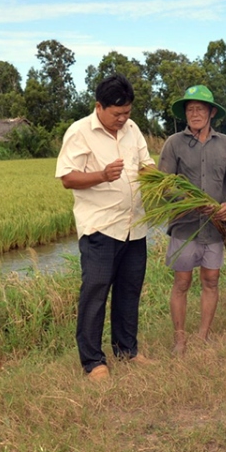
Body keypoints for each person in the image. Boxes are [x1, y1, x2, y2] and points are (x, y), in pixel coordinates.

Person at [55, 75, 156, 381]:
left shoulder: (132, 128)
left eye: (127, 112)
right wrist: (101, 175)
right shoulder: (79, 132)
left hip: (134, 226)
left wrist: (156, 176)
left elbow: (145, 163)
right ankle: (93, 361)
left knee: (129, 291)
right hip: (100, 228)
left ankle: (127, 350)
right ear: (99, 106)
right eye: (116, 114)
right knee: (95, 293)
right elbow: (67, 178)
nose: (122, 119)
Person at [159, 85, 226, 355]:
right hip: (185, 227)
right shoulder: (174, 143)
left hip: (216, 228)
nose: (194, 113)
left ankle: (203, 335)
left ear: (212, 112)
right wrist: (191, 201)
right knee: (182, 283)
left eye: (200, 108)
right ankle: (180, 339)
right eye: (190, 109)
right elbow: (164, 185)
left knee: (211, 281)